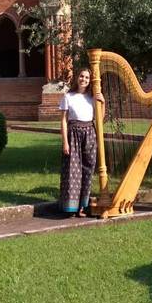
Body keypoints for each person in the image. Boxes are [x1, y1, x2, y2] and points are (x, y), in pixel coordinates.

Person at [59, 67, 104, 217]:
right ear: (77, 78)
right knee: (72, 171)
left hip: (90, 133)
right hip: (73, 134)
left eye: (87, 77)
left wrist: (102, 103)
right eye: (81, 76)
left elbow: (99, 119)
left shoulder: (92, 98)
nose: (84, 79)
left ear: (90, 81)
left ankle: (82, 207)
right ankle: (70, 207)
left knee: (88, 170)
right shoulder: (68, 96)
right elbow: (64, 121)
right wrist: (65, 142)